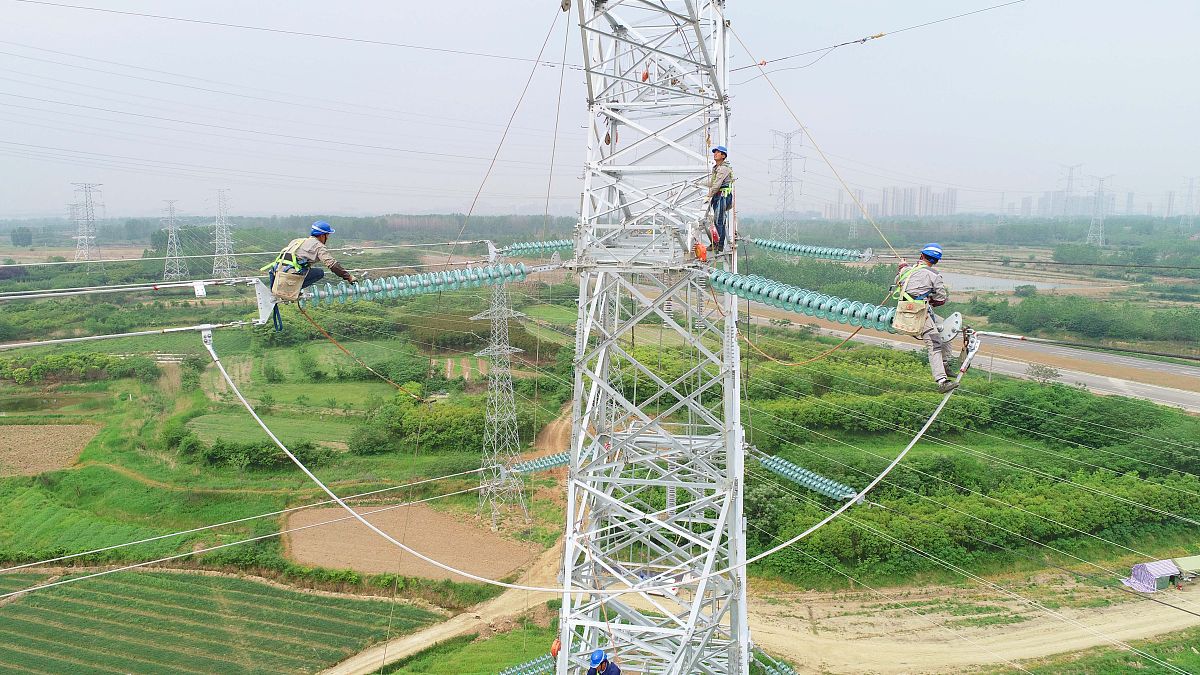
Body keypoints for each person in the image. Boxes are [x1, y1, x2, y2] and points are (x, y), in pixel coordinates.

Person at [895, 243, 957, 393]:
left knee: (945, 326)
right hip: (919, 314)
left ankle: (944, 362)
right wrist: (930, 298)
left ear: (922, 255)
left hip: (905, 310)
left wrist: (902, 265)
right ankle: (942, 380)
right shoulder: (935, 275)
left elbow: (899, 280)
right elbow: (941, 299)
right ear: (936, 261)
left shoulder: (906, 270)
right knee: (934, 343)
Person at [264, 220, 357, 289]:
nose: (328, 238)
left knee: (305, 269)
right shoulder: (319, 246)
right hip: (289, 277)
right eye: (327, 235)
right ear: (322, 235)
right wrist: (348, 277)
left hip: (276, 274)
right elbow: (333, 265)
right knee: (319, 273)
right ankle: (292, 289)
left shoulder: (297, 241)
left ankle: (289, 288)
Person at [707, 146, 734, 253]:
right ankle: (716, 243)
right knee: (717, 220)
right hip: (718, 195)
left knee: (719, 220)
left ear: (723, 156)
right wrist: (697, 184)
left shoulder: (723, 168)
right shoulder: (716, 168)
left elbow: (716, 185)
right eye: (715, 152)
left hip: (723, 195)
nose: (715, 154)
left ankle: (719, 244)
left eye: (718, 153)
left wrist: (709, 195)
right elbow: (713, 182)